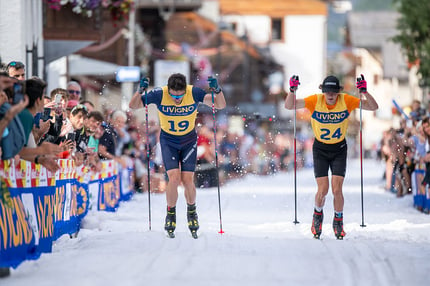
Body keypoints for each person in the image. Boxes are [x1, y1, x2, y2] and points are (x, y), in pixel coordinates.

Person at [129, 73, 226, 238]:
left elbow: (220, 105)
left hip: (188, 141)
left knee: (187, 179)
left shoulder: (193, 92)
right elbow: (134, 106)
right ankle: (171, 213)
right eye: (173, 95)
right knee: (173, 178)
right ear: (169, 90)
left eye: (180, 96)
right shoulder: (160, 93)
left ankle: (192, 211)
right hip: (169, 141)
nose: (176, 99)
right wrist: (139, 91)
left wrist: (217, 90)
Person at [285, 74, 378, 239]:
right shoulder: (315, 100)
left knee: (337, 189)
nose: (330, 95)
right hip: (320, 149)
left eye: (334, 92)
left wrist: (364, 91)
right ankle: (317, 215)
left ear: (338, 92)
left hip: (339, 148)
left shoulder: (346, 100)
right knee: (323, 189)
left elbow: (373, 107)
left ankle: (338, 220)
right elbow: (289, 106)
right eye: (327, 91)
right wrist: (292, 90)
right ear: (323, 91)